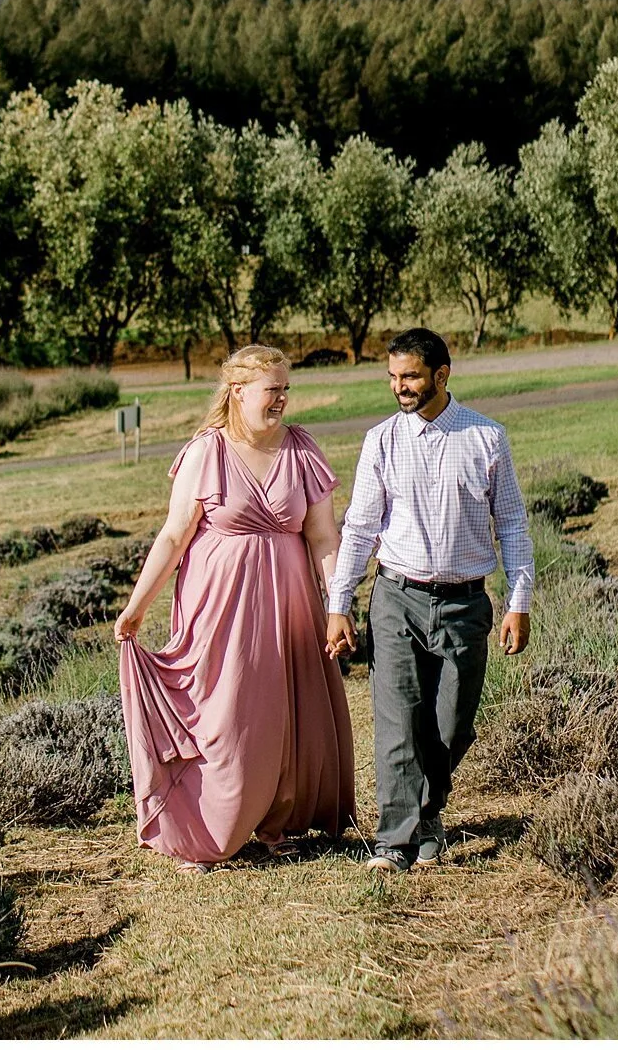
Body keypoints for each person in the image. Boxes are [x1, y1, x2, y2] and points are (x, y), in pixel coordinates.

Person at [115, 343, 355, 871]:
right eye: (273, 389)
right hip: (218, 606)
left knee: (282, 710)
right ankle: (204, 829)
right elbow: (175, 535)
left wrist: (339, 601)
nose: (282, 400)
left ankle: (276, 822)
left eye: (286, 389)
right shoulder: (207, 452)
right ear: (238, 391)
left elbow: (322, 538)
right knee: (221, 710)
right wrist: (136, 607)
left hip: (288, 603)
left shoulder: (303, 451)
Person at [325, 327, 534, 873]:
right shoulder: (380, 441)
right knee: (397, 724)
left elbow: (511, 523)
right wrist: (339, 603)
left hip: (466, 605)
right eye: (393, 377)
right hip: (396, 599)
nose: (400, 388)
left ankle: (429, 812)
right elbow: (359, 528)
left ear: (442, 375)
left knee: (450, 727)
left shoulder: (487, 438)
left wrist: (519, 600)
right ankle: (394, 842)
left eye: (411, 376)